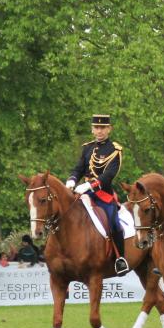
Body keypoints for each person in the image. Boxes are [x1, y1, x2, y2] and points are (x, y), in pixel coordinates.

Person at [67, 114, 128, 275]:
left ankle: (120, 259)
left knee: (114, 222)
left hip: (102, 194)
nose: (99, 131)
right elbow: (79, 168)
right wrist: (72, 180)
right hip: (82, 192)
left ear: (109, 129)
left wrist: (89, 185)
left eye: (103, 128)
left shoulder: (115, 150)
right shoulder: (87, 148)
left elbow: (109, 175)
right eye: (96, 128)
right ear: (92, 129)